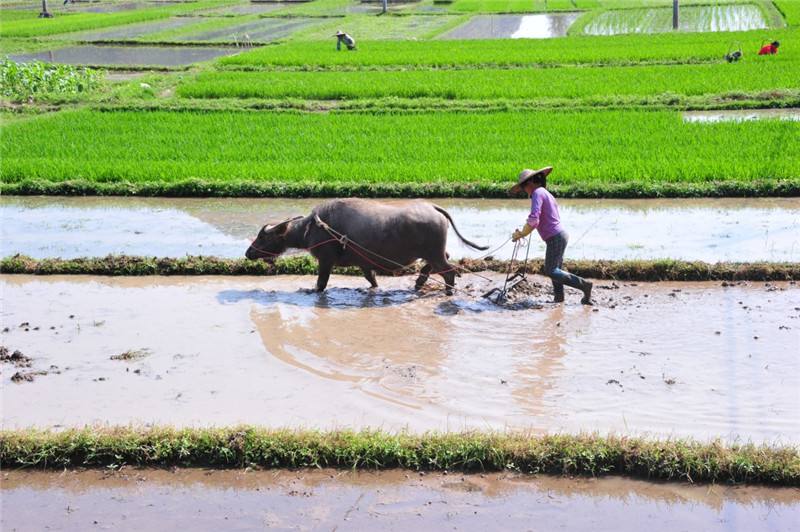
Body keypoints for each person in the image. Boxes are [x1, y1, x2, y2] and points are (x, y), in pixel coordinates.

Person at [510, 167, 593, 305]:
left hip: (555, 237)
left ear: (530, 183)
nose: (524, 190)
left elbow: (534, 218)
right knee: (556, 270)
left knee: (551, 270)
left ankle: (584, 285)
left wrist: (522, 233)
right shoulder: (545, 193)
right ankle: (559, 298)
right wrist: (526, 229)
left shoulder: (537, 193)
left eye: (524, 186)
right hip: (560, 235)